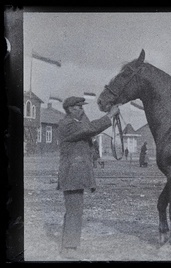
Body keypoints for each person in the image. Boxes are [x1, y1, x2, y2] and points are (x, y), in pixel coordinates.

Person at [57, 96, 119, 258]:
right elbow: (88, 129)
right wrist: (109, 116)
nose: (82, 110)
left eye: (82, 107)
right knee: (74, 210)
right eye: (79, 108)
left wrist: (95, 158)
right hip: (72, 173)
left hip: (77, 173)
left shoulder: (76, 122)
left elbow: (87, 135)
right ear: (70, 109)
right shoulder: (67, 124)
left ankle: (68, 246)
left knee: (74, 209)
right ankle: (69, 249)